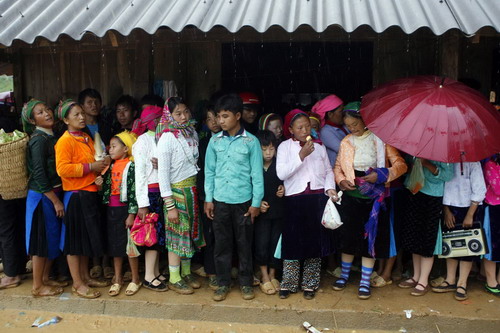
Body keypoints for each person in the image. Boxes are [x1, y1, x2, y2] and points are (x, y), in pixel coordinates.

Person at [333, 104, 407, 300]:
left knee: (370, 239)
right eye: (349, 126)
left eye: (355, 124)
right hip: (352, 196)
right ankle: (345, 275)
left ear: (365, 121)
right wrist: (341, 180)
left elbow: (401, 164)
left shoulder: (380, 141)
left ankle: (365, 281)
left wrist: (382, 175)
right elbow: (338, 167)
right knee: (348, 238)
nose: (352, 129)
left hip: (375, 198)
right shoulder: (346, 142)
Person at [204, 93, 264, 301]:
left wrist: (256, 203)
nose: (220, 121)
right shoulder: (214, 142)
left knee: (244, 243)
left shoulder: (251, 142)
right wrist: (208, 199)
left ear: (238, 116)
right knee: (222, 243)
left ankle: (246, 283)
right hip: (220, 201)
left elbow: (257, 175)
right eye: (218, 116)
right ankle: (223, 283)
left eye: (225, 116)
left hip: (244, 202)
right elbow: (209, 172)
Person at [277, 109, 339, 300]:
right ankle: (289, 283)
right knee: (292, 241)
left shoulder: (319, 147)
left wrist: (329, 188)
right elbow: (281, 174)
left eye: (308, 126)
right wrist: (301, 156)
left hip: (317, 199)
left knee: (314, 242)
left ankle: (310, 284)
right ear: (291, 130)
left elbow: (329, 171)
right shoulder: (284, 147)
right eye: (300, 127)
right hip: (295, 198)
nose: (305, 130)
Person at [54, 99, 110, 299]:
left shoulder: (86, 138)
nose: (81, 117)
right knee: (74, 242)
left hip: (89, 193)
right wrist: (90, 168)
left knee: (85, 240)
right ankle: (78, 283)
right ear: (65, 119)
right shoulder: (65, 141)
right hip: (76, 196)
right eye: (76, 114)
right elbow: (63, 169)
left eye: (82, 114)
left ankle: (86, 277)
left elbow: (94, 163)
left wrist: (102, 165)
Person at [157, 97, 205, 294]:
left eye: (186, 112)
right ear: (169, 115)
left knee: (189, 234)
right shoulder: (167, 138)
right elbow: (163, 175)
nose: (184, 116)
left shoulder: (191, 133)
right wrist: (170, 206)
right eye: (178, 113)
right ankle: (174, 277)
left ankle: (186, 272)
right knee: (177, 237)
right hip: (176, 194)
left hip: (191, 191)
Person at [22, 99, 66, 297]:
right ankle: (37, 286)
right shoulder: (38, 140)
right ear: (32, 120)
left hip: (51, 193)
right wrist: (55, 200)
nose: (47, 113)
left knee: (50, 238)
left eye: (47, 109)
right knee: (40, 241)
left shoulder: (50, 136)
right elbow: (39, 174)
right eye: (40, 112)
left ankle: (45, 278)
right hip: (42, 196)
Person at [399, 157, 454, 296]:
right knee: (414, 235)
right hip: (415, 190)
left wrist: (427, 164)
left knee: (427, 238)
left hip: (433, 196)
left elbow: (447, 175)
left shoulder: (443, 152)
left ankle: (423, 281)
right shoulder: (418, 147)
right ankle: (416, 276)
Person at [432, 162, 486, 301]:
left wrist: (470, 214)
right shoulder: (446, 160)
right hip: (450, 207)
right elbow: (442, 186)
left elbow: (480, 189)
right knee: (451, 246)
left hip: (470, 208)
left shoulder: (474, 162)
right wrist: (446, 210)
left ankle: (462, 283)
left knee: (467, 248)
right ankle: (450, 279)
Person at [97, 131, 141, 296]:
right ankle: (117, 278)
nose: (110, 149)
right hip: (112, 211)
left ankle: (135, 278)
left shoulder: (131, 166)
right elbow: (105, 192)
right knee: (115, 246)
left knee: (130, 246)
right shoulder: (110, 167)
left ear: (125, 149)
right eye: (110, 146)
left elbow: (134, 192)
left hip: (125, 211)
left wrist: (131, 214)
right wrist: (100, 186)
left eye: (114, 146)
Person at [132, 105, 168, 292]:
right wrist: (143, 203)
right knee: (152, 235)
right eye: (160, 119)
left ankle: (154, 272)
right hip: (150, 193)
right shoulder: (142, 142)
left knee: (159, 234)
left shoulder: (161, 138)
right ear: (152, 122)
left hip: (161, 192)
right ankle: (148, 276)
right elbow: (140, 175)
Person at [254, 130, 284, 295]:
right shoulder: (254, 166)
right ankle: (264, 276)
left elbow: (289, 179)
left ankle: (273, 274)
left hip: (279, 211)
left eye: (271, 149)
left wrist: (284, 189)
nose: (268, 153)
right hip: (261, 214)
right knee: (262, 244)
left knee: (275, 243)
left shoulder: (279, 164)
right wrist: (257, 204)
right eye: (264, 149)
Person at [196, 105, 222, 290]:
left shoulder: (231, 140)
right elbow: (203, 173)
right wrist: (207, 197)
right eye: (209, 119)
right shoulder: (203, 143)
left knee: (225, 234)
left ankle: (224, 269)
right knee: (210, 234)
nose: (214, 122)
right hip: (208, 195)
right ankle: (211, 271)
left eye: (217, 117)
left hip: (228, 195)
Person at [312, 95, 348, 167]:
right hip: (337, 171)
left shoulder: (343, 125)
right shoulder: (325, 131)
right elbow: (344, 150)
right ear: (330, 114)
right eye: (341, 112)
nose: (344, 114)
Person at [483, 154, 500, 296]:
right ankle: (491, 281)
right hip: (494, 208)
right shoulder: (491, 164)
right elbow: (498, 188)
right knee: (491, 246)